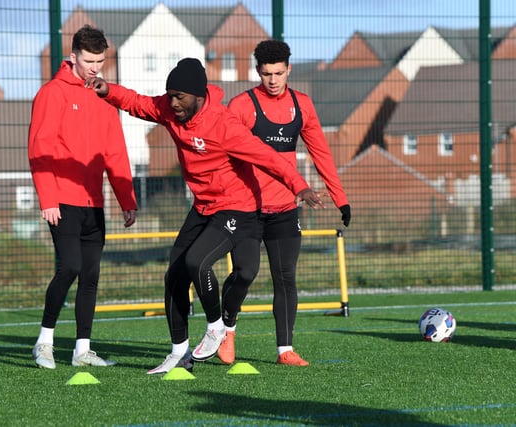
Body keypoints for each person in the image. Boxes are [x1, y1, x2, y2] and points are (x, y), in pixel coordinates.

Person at [89, 57, 326, 374]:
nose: (172, 103)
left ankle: (217, 327)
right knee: (174, 276)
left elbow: (268, 158)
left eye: (179, 97)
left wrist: (300, 187)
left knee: (198, 262)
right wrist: (109, 91)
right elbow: (139, 103)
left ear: (199, 96)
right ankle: (178, 353)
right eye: (169, 95)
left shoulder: (224, 125)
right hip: (202, 205)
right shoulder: (171, 109)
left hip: (236, 206)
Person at [218, 39, 350, 367]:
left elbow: (320, 152)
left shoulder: (302, 104)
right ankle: (227, 329)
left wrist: (340, 198)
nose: (273, 80)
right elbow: (221, 153)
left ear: (289, 69)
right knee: (245, 272)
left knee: (285, 276)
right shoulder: (241, 106)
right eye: (266, 74)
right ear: (257, 72)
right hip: (246, 209)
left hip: (284, 208)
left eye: (278, 73)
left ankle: (285, 350)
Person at [28, 25, 138, 369]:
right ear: (73, 56)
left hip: (95, 203)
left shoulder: (104, 96)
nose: (95, 67)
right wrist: (47, 198)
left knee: (90, 274)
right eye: (89, 60)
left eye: (100, 61)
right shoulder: (52, 93)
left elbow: (115, 152)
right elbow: (39, 149)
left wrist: (127, 199)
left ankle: (82, 350)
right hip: (62, 201)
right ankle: (44, 342)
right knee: (71, 267)